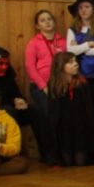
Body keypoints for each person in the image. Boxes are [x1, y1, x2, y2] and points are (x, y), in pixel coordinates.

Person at [46, 52, 94, 166]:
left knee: (80, 162)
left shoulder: (82, 83)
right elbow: (53, 111)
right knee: (67, 162)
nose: (76, 64)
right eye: (70, 62)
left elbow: (88, 109)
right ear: (60, 66)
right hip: (64, 130)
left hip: (80, 128)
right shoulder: (54, 85)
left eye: (75, 61)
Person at [24, 9, 67, 162]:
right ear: (37, 26)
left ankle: (62, 152)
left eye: (49, 19)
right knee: (47, 118)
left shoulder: (62, 42)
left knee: (61, 118)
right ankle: (48, 154)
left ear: (54, 22)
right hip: (40, 87)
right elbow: (30, 67)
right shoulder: (34, 43)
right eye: (42, 20)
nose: (47, 22)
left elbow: (68, 63)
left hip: (60, 86)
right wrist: (43, 86)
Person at [65, 0, 94, 130]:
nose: (83, 10)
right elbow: (70, 51)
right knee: (79, 110)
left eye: (87, 7)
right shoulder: (73, 30)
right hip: (79, 74)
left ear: (93, 9)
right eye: (80, 7)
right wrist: (89, 44)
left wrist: (79, 48)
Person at [0, 85, 29, 176]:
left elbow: (15, 147)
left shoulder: (8, 121)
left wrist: (1, 147)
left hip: (4, 156)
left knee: (22, 163)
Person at [0, 46, 31, 129]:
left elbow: (16, 93)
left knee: (34, 112)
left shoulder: (8, 75)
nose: (4, 67)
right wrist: (13, 101)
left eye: (6, 64)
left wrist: (21, 101)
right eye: (0, 64)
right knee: (9, 111)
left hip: (8, 105)